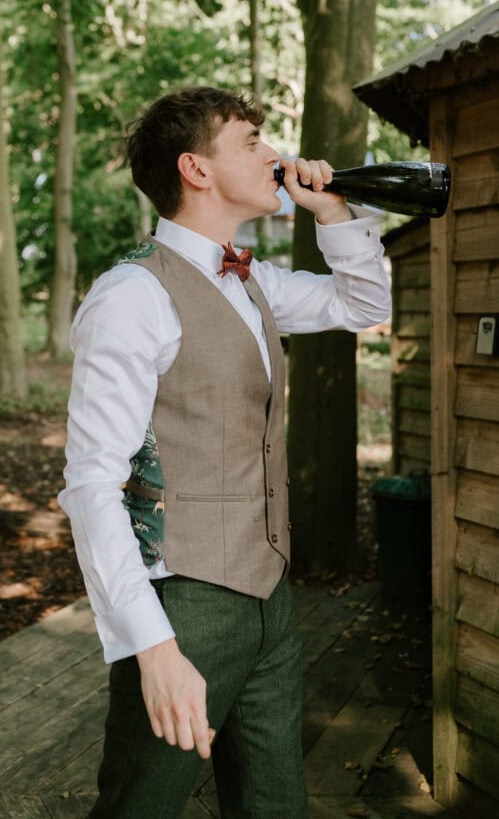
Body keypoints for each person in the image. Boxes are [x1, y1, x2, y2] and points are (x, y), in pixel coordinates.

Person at [59, 87, 391, 819]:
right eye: (250, 141)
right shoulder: (130, 296)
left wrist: (332, 211)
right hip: (185, 601)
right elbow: (90, 484)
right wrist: (151, 646)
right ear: (195, 170)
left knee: (275, 805)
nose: (274, 156)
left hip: (270, 597)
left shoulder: (251, 281)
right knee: (140, 805)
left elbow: (364, 306)